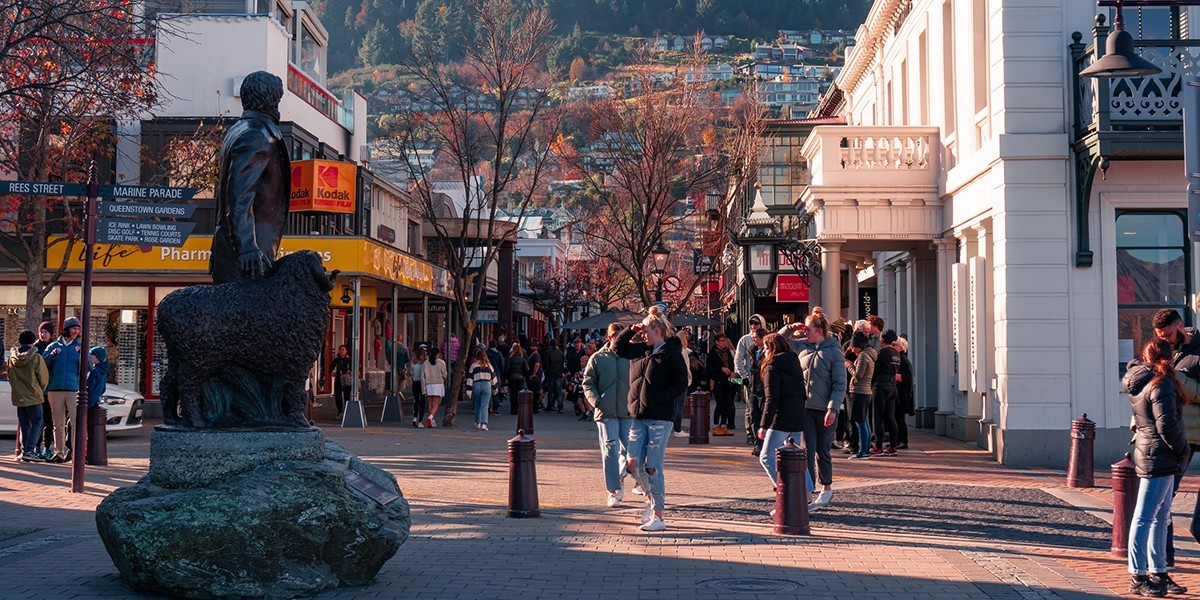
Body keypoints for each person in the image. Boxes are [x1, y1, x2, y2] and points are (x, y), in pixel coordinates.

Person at [1124, 338, 1190, 597]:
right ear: (1169, 357)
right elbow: (1167, 426)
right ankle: (1138, 575)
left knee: (1160, 516)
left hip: (1152, 452)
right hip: (1160, 455)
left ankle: (1157, 571)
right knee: (1146, 516)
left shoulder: (1141, 381)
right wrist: (1183, 450)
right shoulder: (1160, 384)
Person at [210, 71, 290, 283]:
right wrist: (247, 247)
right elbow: (239, 195)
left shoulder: (238, 130)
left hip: (238, 251)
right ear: (273, 100)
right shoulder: (256, 135)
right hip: (248, 257)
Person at [614, 306, 688, 532]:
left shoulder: (671, 354)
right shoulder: (641, 351)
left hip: (659, 418)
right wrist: (631, 329)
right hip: (638, 416)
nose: (643, 334)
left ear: (657, 331)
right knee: (632, 463)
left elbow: (681, 383)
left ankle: (658, 514)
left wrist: (659, 398)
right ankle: (650, 498)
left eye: (646, 331)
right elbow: (618, 347)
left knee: (653, 466)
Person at [781, 314, 847, 511]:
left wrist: (833, 408)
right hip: (805, 408)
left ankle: (826, 486)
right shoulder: (803, 347)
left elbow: (839, 384)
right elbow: (780, 340)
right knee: (806, 451)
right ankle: (807, 493)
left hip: (825, 409)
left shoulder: (834, 353)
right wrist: (790, 327)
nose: (805, 332)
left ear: (819, 331)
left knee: (822, 449)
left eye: (808, 329)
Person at [756, 333, 814, 500]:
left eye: (766, 348)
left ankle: (787, 493)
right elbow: (802, 392)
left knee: (766, 457)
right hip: (796, 417)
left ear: (772, 348)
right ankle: (807, 494)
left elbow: (771, 398)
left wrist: (763, 425)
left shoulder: (771, 366)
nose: (764, 351)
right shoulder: (794, 362)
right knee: (797, 459)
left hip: (780, 419)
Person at [582, 323, 633, 507]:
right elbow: (588, 382)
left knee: (630, 450)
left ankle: (619, 476)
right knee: (610, 450)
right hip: (606, 411)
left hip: (628, 411)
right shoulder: (598, 358)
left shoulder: (630, 356)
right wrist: (597, 401)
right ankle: (612, 490)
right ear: (610, 337)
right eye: (617, 336)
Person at [43, 317, 82, 464]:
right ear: (66, 329)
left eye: (78, 329)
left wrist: (81, 356)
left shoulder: (80, 347)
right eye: (73, 328)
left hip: (73, 390)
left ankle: (76, 453)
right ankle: (59, 453)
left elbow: (90, 367)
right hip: (55, 389)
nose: (75, 331)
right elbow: (43, 363)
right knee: (57, 424)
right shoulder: (53, 346)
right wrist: (52, 356)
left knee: (76, 423)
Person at [9, 330, 48, 463]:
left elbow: (10, 376)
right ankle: (29, 450)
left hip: (19, 395)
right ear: (33, 342)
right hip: (33, 395)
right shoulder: (36, 358)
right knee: (38, 421)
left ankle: (25, 450)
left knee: (24, 424)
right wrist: (39, 390)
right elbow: (43, 378)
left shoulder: (12, 358)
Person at [844, 331, 877, 459]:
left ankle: (864, 451)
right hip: (866, 392)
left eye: (853, 346)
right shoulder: (869, 355)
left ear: (859, 345)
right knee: (865, 422)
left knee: (860, 422)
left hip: (859, 392)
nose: (852, 349)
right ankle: (866, 449)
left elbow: (858, 375)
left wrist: (849, 365)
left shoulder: (863, 356)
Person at [735, 314, 766, 444]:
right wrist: (744, 376)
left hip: (765, 380)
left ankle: (763, 432)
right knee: (750, 408)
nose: (753, 326)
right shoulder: (745, 340)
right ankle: (750, 433)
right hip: (751, 379)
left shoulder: (768, 339)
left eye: (756, 323)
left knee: (764, 408)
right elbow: (738, 359)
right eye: (751, 323)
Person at [871, 330, 902, 456]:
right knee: (890, 417)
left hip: (881, 386)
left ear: (882, 340)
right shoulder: (896, 353)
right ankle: (893, 446)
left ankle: (878, 446)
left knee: (878, 417)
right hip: (893, 386)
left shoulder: (882, 353)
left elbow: (875, 369)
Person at [706, 332, 736, 435]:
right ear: (717, 342)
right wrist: (721, 368)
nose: (724, 343)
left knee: (727, 403)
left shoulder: (728, 352)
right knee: (720, 403)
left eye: (725, 341)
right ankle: (715, 426)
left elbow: (732, 363)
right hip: (717, 381)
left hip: (727, 381)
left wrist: (732, 372)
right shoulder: (713, 353)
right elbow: (709, 368)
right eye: (722, 341)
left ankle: (723, 425)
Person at [34, 321, 54, 460]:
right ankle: (37, 447)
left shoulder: (54, 347)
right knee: (38, 420)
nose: (43, 334)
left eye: (46, 332)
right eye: (41, 331)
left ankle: (47, 447)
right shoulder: (35, 348)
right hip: (39, 389)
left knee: (49, 420)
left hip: (51, 389)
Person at [672, 330, 695, 438]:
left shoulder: (678, 351)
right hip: (682, 381)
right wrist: (689, 379)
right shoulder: (682, 352)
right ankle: (677, 428)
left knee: (675, 405)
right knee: (679, 405)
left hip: (675, 381)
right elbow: (686, 368)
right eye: (685, 338)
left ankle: (674, 427)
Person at [467, 349, 495, 431]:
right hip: (486, 385)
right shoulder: (489, 365)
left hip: (476, 385)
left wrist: (469, 389)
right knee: (485, 405)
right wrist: (495, 388)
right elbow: (493, 377)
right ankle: (484, 423)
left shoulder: (474, 365)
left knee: (477, 405)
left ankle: (477, 422)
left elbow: (470, 377)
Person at [895, 337, 915, 449]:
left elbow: (908, 378)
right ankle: (897, 440)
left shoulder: (903, 359)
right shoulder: (898, 358)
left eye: (895, 345)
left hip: (902, 394)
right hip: (898, 393)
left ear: (901, 347)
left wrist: (894, 376)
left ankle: (903, 441)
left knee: (900, 418)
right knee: (896, 417)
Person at [422, 346, 448, 428]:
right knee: (436, 404)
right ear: (438, 354)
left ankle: (432, 419)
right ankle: (431, 417)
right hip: (438, 384)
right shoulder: (441, 362)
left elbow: (423, 376)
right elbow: (444, 374)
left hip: (428, 384)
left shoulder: (425, 363)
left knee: (430, 403)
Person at [542, 339, 565, 413]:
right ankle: (560, 406)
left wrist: (546, 372)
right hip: (558, 373)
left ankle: (550, 405)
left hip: (550, 374)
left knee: (550, 391)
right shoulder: (560, 353)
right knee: (559, 391)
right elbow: (562, 363)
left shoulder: (548, 353)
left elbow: (546, 364)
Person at [506, 344, 529, 415]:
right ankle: (518, 408)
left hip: (512, 378)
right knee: (519, 393)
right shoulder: (523, 359)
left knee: (513, 394)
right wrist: (523, 375)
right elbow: (527, 369)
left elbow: (507, 369)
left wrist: (506, 377)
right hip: (520, 378)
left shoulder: (510, 359)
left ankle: (513, 409)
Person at [329, 345, 351, 418]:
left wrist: (349, 372)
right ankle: (339, 411)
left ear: (346, 351)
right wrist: (331, 372)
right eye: (340, 350)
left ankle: (347, 411)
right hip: (338, 380)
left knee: (347, 396)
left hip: (346, 380)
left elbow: (352, 368)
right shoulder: (336, 360)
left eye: (343, 350)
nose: (341, 351)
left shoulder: (349, 360)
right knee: (338, 396)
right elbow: (331, 368)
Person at [486, 340, 507, 415]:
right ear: (496, 345)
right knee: (496, 392)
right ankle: (495, 409)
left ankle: (488, 408)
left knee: (487, 393)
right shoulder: (499, 354)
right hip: (496, 374)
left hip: (487, 374)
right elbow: (502, 365)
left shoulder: (486, 353)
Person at [410, 345, 427, 428]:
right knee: (423, 402)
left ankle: (415, 417)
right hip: (422, 383)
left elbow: (411, 373)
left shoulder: (413, 363)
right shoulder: (424, 363)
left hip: (415, 382)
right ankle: (420, 421)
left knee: (416, 401)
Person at [527, 342, 543, 412]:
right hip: (533, 376)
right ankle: (534, 407)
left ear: (536, 347)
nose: (531, 347)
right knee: (533, 392)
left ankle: (535, 408)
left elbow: (537, 364)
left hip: (534, 377)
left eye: (533, 346)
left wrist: (533, 374)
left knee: (534, 393)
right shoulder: (533, 354)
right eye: (531, 346)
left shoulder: (536, 355)